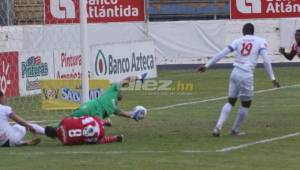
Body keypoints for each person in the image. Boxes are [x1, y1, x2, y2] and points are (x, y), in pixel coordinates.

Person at [198, 23, 280, 137]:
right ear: (253, 31)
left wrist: (207, 65)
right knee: (246, 104)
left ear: (243, 31)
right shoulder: (260, 41)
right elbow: (266, 60)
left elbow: (222, 53)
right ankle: (235, 130)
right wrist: (272, 78)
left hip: (235, 72)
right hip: (246, 74)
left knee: (230, 101)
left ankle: (217, 127)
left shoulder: (238, 40)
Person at [68, 73, 148, 122]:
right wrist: (138, 77)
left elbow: (124, 113)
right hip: (91, 107)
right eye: (122, 90)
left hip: (96, 117)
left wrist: (134, 115)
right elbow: (125, 80)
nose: (122, 92)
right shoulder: (113, 90)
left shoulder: (114, 108)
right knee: (70, 119)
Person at [45, 116, 123, 145]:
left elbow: (80, 142)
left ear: (53, 137)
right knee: (83, 119)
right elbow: (75, 118)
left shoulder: (65, 142)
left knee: (94, 141)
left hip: (98, 135)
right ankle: (104, 122)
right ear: (54, 127)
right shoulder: (63, 121)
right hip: (95, 122)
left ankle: (115, 138)